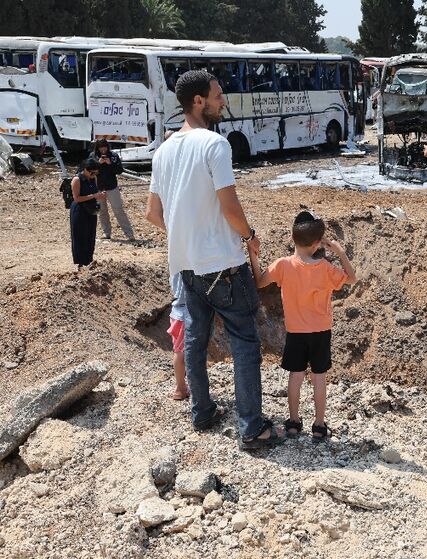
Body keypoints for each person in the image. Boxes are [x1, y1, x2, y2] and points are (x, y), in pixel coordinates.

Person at [145, 69, 282, 451]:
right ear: (199, 101)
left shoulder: (164, 150)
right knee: (244, 341)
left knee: (195, 337)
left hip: (184, 263)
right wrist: (249, 237)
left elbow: (152, 214)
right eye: (218, 95)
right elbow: (229, 205)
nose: (224, 101)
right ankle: (252, 428)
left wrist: (185, 231)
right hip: (222, 263)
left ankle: (202, 412)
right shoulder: (215, 145)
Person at [249, 211, 356, 443]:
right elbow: (351, 278)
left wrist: (253, 255)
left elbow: (259, 281)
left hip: (295, 332)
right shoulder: (326, 267)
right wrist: (340, 251)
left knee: (295, 376)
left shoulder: (283, 265)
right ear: (318, 243)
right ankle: (318, 426)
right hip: (321, 331)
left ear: (292, 238)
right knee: (319, 378)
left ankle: (294, 423)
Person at [90, 139, 134, 241]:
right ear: (97, 148)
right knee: (102, 211)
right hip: (98, 188)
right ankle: (106, 233)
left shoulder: (113, 156)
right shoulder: (93, 156)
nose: (103, 149)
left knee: (118, 210)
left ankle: (129, 234)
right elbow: (89, 172)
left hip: (112, 187)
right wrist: (98, 164)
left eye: (104, 146)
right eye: (101, 147)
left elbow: (119, 170)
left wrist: (110, 163)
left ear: (107, 146)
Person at [70, 159, 106, 269]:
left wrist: (99, 195)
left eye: (96, 173)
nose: (94, 175)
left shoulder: (93, 178)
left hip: (91, 210)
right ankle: (81, 263)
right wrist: (94, 196)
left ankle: (89, 260)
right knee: (80, 236)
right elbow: (76, 198)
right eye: (92, 172)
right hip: (79, 210)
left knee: (90, 235)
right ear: (85, 170)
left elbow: (94, 192)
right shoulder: (77, 179)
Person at [168, 272, 190, 400]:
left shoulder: (174, 262)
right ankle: (180, 389)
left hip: (176, 312)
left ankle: (181, 386)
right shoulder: (186, 265)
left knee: (178, 351)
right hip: (185, 313)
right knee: (181, 353)